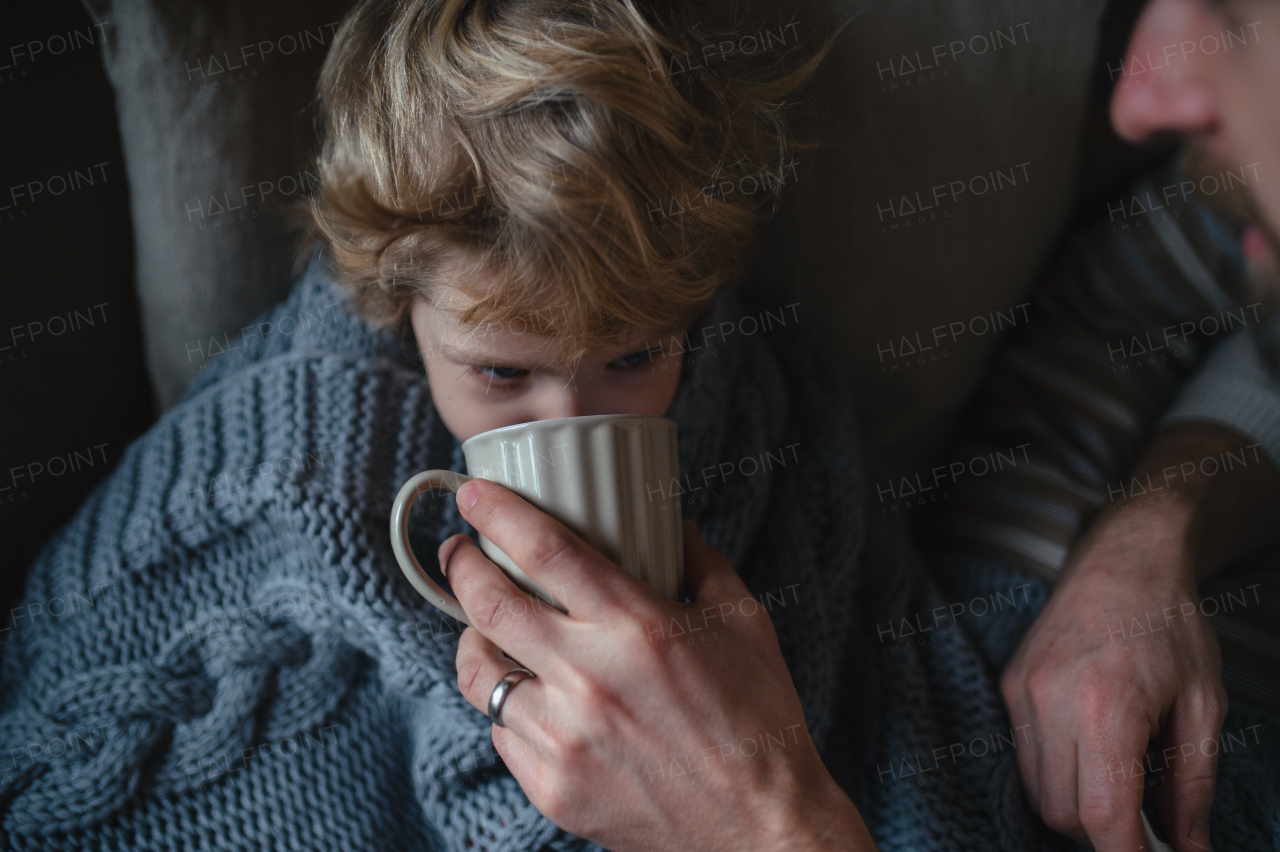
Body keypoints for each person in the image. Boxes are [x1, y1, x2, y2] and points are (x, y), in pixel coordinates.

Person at [930, 1, 1280, 849]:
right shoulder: (1223, 203)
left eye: (1233, 23)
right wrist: (1156, 531)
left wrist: (770, 821)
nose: (1135, 104)